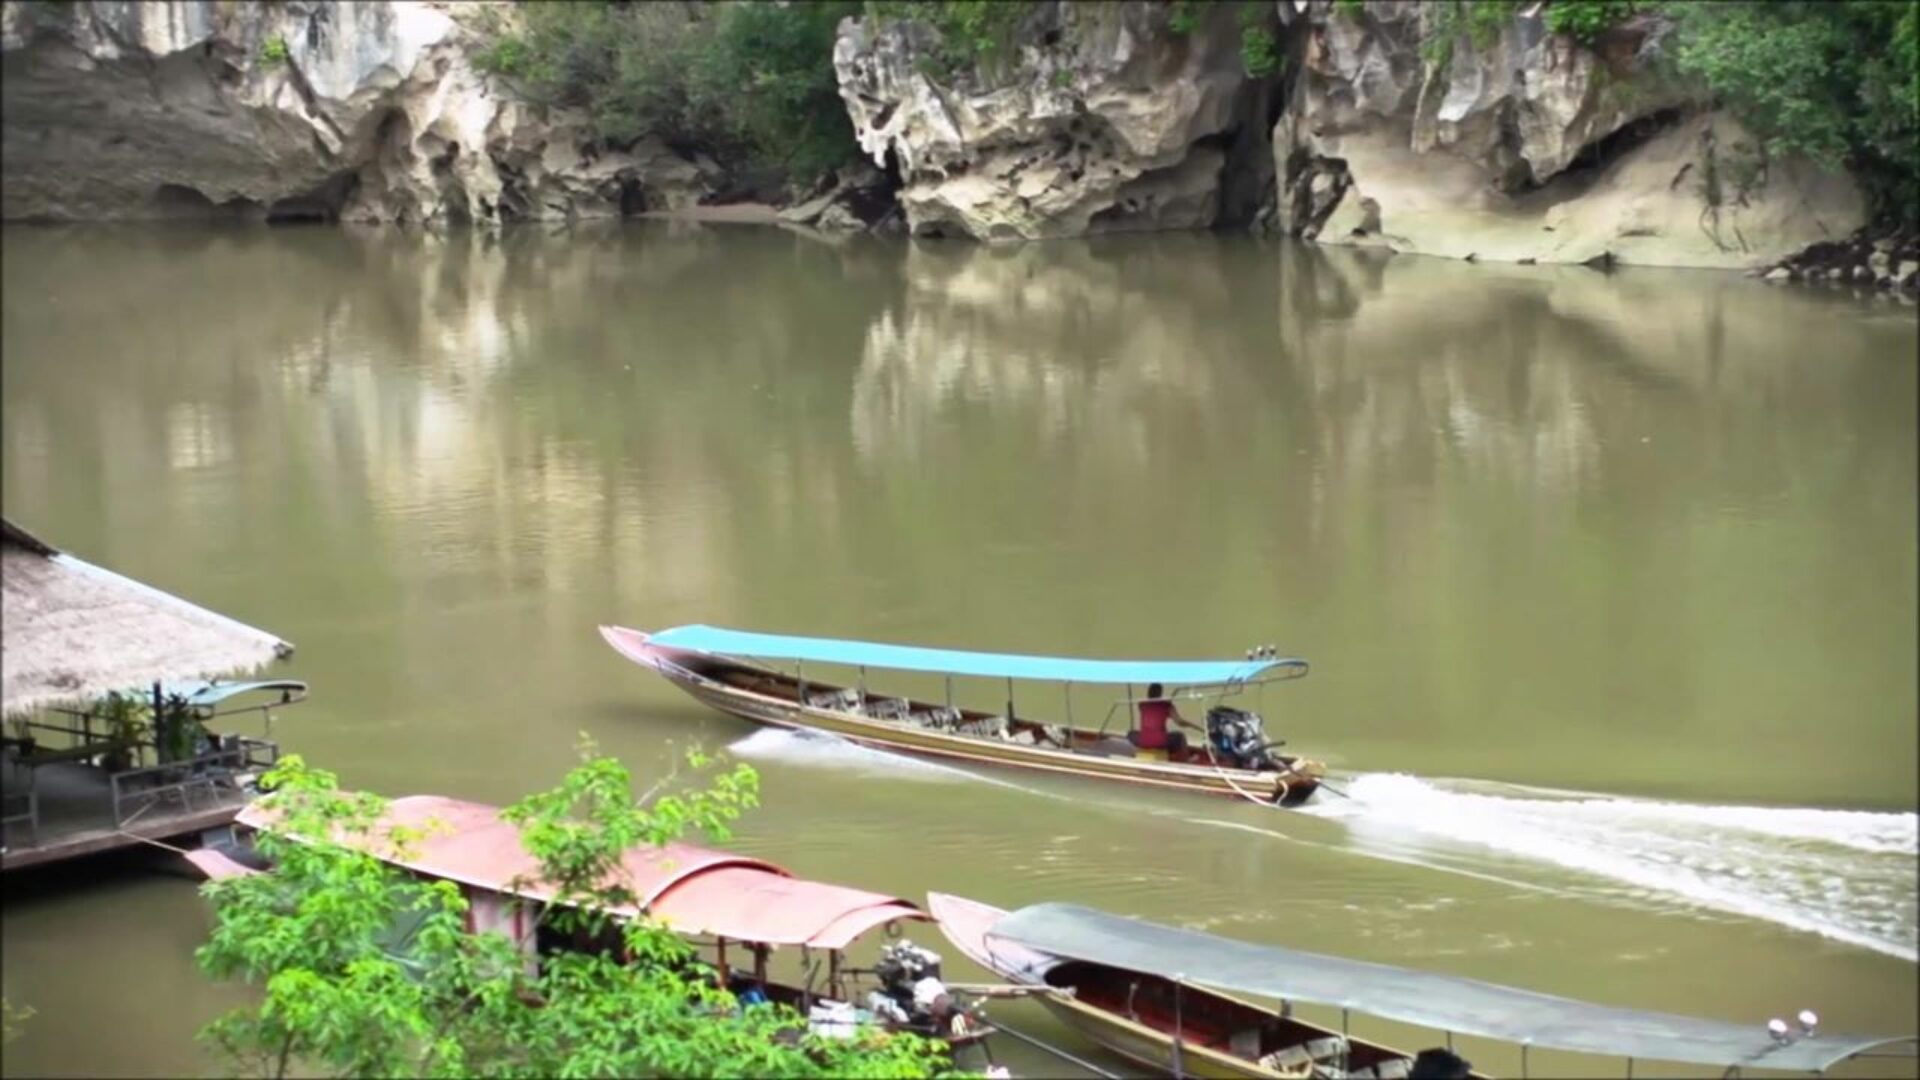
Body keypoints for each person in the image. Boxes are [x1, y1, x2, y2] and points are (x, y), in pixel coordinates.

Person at [1131, 683, 1188, 754]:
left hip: (1143, 740)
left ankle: (1133, 754)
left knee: (1131, 734)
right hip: (1160, 741)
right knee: (1180, 737)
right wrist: (1188, 724)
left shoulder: (1142, 704)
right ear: (1160, 693)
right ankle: (1186, 758)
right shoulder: (1167, 705)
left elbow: (1153, 714)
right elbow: (1179, 722)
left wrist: (1166, 705)